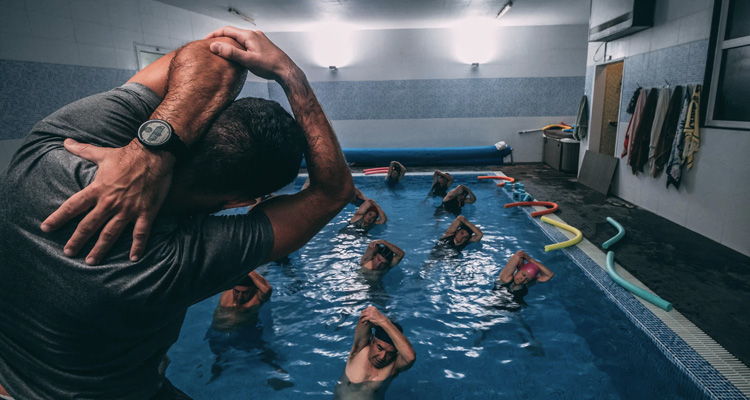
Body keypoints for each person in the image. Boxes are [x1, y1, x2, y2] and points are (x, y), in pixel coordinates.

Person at [0, 27, 354, 399]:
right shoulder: (167, 263)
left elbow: (221, 51)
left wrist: (150, 149)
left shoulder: (60, 146)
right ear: (239, 201)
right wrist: (291, 76)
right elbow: (333, 192)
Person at [334, 306, 416, 400]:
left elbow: (410, 357)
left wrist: (383, 321)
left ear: (396, 353)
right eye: (380, 348)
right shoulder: (359, 350)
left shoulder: (394, 366)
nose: (382, 357)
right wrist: (380, 319)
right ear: (372, 340)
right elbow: (366, 317)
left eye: (389, 353)